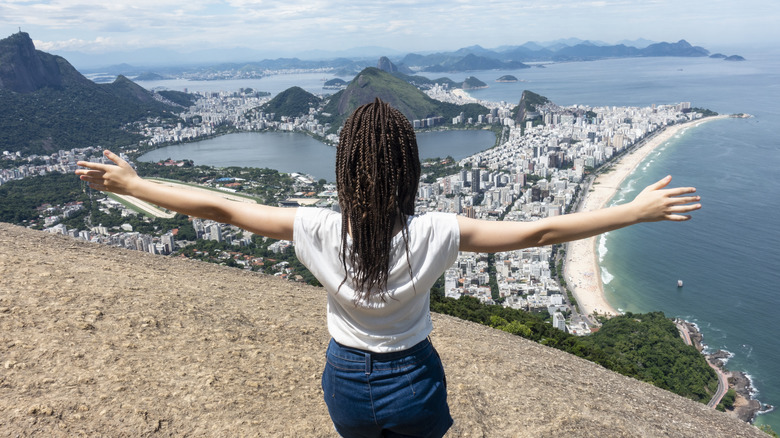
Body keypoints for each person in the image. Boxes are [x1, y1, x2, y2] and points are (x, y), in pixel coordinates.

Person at [76, 98, 701, 437]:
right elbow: (539, 230)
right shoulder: (437, 232)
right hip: (414, 378)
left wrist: (136, 183)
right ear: (410, 170)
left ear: (345, 167)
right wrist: (632, 212)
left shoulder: (314, 228)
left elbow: (222, 207)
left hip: (346, 380)